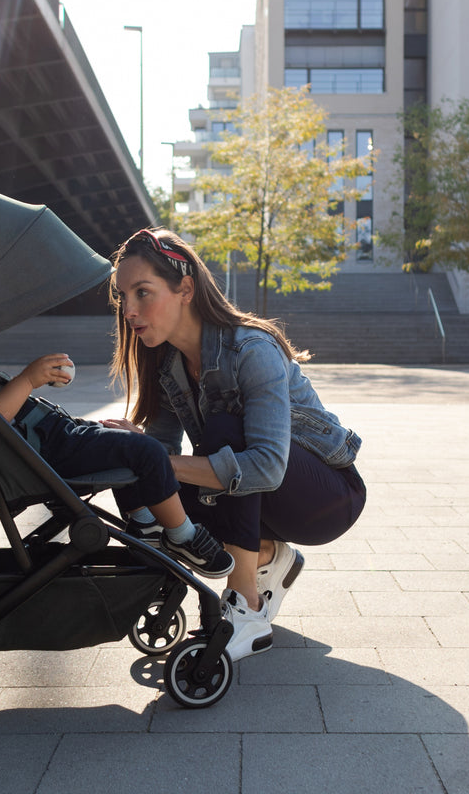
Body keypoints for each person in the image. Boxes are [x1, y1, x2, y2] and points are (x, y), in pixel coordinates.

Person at [105, 228, 366, 660]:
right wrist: (134, 456)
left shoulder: (251, 349)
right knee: (130, 451)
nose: (128, 310)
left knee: (227, 430)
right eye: (122, 297)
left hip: (327, 499)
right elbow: (161, 452)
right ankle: (262, 552)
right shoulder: (168, 366)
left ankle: (247, 606)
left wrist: (160, 462)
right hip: (267, 499)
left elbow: (264, 467)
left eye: (142, 293)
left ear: (185, 288)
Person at [0, 348, 234, 577]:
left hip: (55, 436)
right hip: (50, 450)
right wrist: (28, 379)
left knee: (123, 441)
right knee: (147, 451)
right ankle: (183, 536)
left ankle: (145, 525)